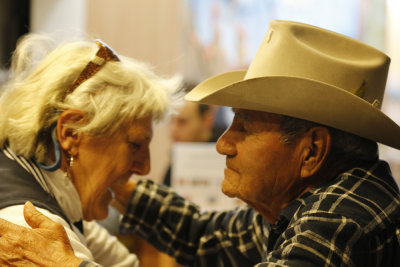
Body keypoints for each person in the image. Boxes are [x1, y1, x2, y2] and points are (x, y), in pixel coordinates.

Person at [1, 20, 400, 267]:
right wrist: (115, 180)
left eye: (244, 126)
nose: (222, 144)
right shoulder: (311, 202)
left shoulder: (339, 222)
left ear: (311, 151)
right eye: (135, 144)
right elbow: (207, 236)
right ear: (70, 134)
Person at [0, 34, 178, 266]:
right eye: (135, 145)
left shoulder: (49, 193)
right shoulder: (30, 226)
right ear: (71, 133)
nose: (145, 167)